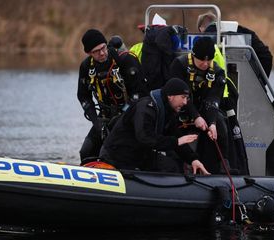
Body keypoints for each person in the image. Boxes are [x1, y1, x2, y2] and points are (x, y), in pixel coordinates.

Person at [99, 78, 210, 175]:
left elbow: (176, 136)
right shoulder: (146, 107)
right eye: (183, 97)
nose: (185, 102)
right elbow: (144, 137)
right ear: (170, 96)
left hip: (139, 154)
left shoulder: (168, 111)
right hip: (119, 154)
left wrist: (193, 159)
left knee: (172, 167)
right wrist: (175, 142)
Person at [77, 29, 146, 163]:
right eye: (96, 51)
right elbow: (83, 96)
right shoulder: (86, 67)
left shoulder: (124, 60)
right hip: (104, 118)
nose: (102, 53)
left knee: (107, 153)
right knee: (86, 151)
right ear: (89, 53)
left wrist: (121, 115)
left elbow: (139, 94)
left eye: (103, 48)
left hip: (129, 115)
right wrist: (96, 123)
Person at [169, 37, 229, 174]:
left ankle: (216, 168)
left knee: (220, 124)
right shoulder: (179, 65)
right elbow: (178, 96)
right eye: (202, 60)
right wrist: (195, 116)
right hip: (181, 107)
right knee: (172, 126)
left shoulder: (218, 72)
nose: (205, 63)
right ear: (194, 55)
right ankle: (176, 169)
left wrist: (212, 122)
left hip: (204, 109)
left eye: (209, 60)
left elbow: (213, 99)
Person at [197, 12, 273, 77]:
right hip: (247, 84)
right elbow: (266, 56)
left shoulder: (200, 42)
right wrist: (259, 83)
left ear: (201, 29)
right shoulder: (244, 31)